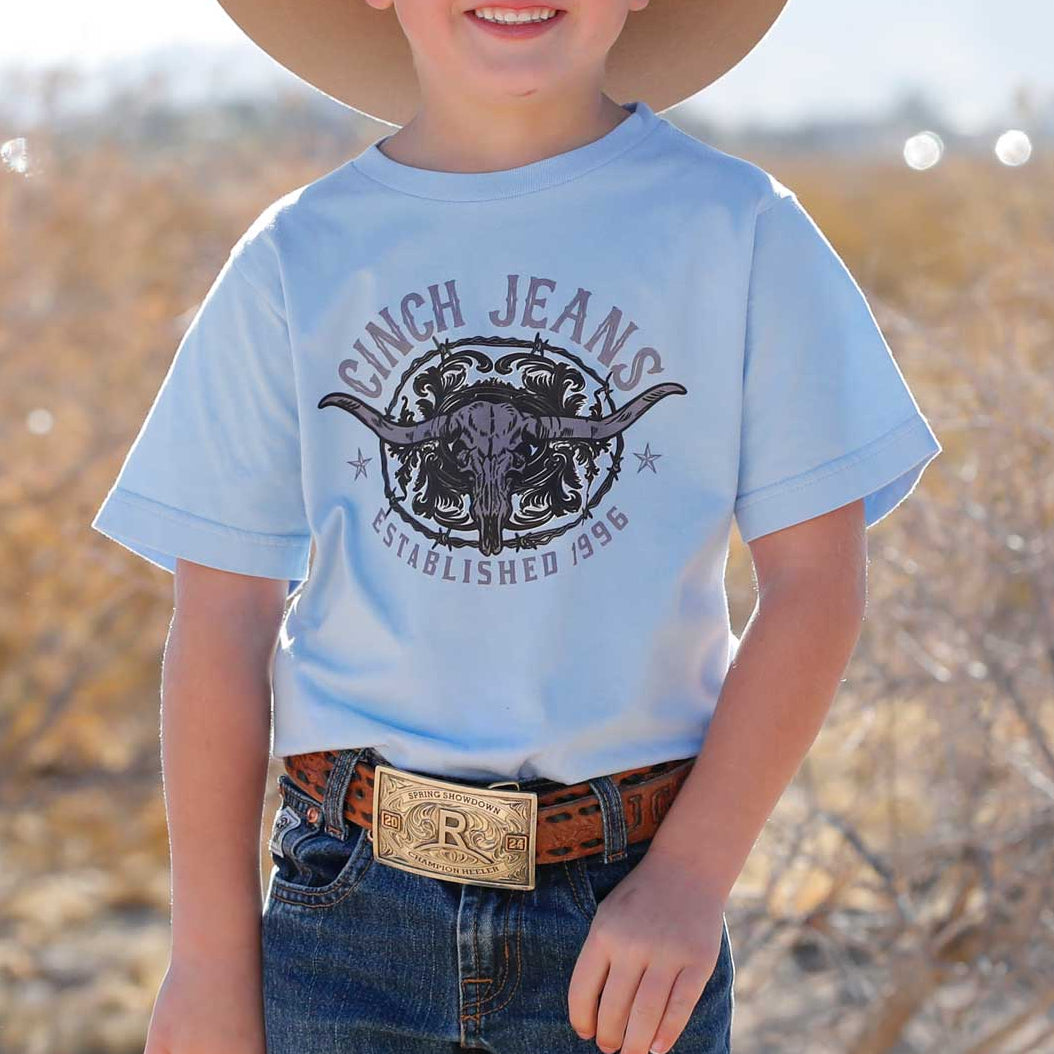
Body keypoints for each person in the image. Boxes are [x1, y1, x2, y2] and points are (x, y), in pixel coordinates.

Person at [90, 1, 942, 1052]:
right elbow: (220, 619)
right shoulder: (296, 254)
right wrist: (212, 961)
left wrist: (686, 877)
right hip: (341, 915)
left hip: (625, 918)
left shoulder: (740, 228)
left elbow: (817, 584)